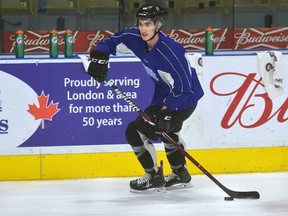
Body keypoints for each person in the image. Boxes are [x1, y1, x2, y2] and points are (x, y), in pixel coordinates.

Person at [87, 4, 204, 193]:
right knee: (169, 134)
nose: (143, 29)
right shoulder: (136, 38)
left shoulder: (172, 52)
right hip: (162, 98)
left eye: (148, 24)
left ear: (158, 25)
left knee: (134, 132)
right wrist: (100, 55)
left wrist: (166, 112)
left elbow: (186, 90)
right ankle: (180, 173)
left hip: (183, 102)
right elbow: (111, 41)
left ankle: (153, 177)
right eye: (141, 23)